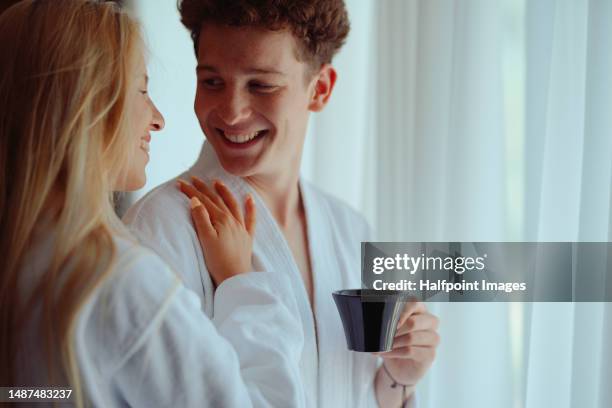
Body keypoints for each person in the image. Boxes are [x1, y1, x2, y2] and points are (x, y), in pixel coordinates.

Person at [123, 0, 440, 407]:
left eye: (261, 85)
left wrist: (397, 379)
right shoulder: (161, 228)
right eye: (213, 82)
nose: (231, 111)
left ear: (320, 89)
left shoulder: (350, 230)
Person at [0, 1, 306, 407]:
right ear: (87, 104)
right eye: (142, 89)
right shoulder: (123, 282)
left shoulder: (24, 261)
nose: (158, 118)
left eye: (261, 84)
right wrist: (241, 283)